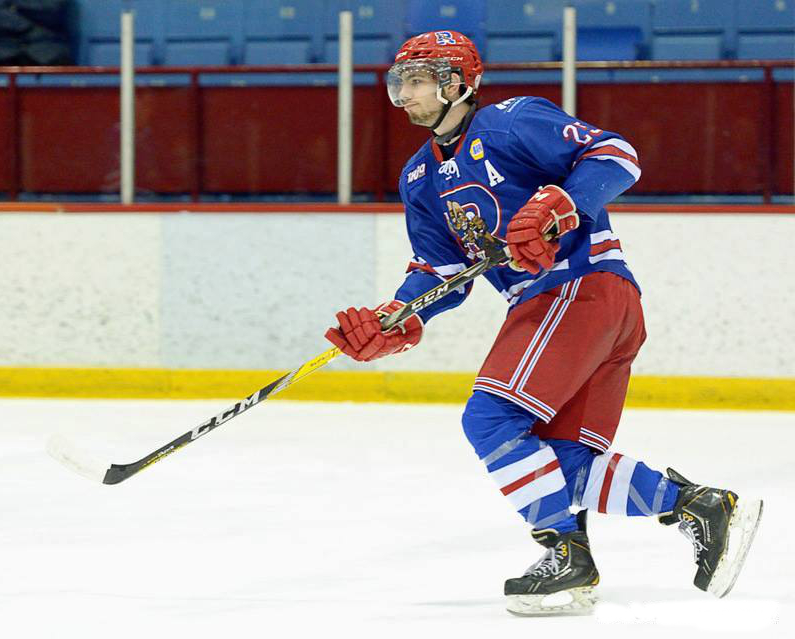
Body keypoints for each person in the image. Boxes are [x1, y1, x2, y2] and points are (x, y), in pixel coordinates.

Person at [324, 30, 763, 616]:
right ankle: (699, 507)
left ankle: (564, 552)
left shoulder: (512, 122)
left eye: (418, 78)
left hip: (578, 286)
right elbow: (440, 269)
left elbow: (617, 156)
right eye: (398, 81)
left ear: (457, 82)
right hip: (584, 306)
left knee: (492, 416)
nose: (403, 93)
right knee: (557, 465)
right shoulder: (418, 178)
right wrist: (397, 316)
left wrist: (565, 200)